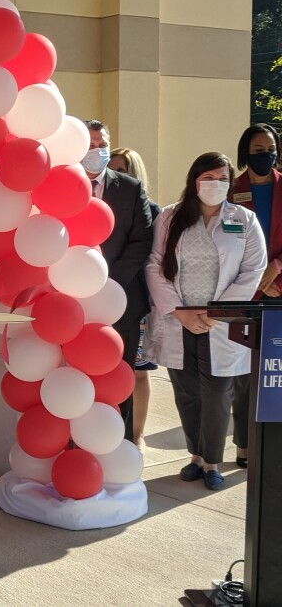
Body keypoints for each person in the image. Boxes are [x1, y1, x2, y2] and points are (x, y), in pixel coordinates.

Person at [145, 152, 266, 491]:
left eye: (222, 178)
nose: (215, 185)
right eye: (208, 178)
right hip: (178, 317)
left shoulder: (243, 219)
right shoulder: (171, 217)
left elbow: (253, 270)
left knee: (217, 391)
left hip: (221, 321)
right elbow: (155, 264)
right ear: (194, 180)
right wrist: (180, 312)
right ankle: (196, 456)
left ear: (230, 182)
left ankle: (212, 461)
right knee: (187, 391)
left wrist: (216, 313)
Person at [82, 120, 154, 442]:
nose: (97, 151)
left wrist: (108, 282)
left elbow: (142, 240)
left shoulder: (129, 187)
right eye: (90, 144)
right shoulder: (57, 183)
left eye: (102, 144)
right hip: (72, 304)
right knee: (78, 378)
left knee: (119, 377)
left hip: (121, 300)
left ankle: (120, 443)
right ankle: (79, 445)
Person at [229, 123, 282, 469]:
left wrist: (275, 269)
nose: (265, 155)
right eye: (258, 150)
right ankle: (245, 445)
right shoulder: (232, 191)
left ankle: (275, 443)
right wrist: (255, 282)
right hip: (244, 293)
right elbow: (226, 243)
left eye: (270, 149)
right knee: (244, 373)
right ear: (245, 153)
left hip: (279, 287)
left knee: (277, 368)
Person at [109, 147, 161, 453]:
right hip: (102, 303)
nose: (117, 172)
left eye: (123, 168)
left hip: (134, 299)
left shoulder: (151, 210)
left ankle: (136, 435)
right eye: (114, 167)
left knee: (137, 371)